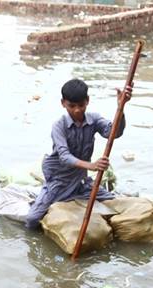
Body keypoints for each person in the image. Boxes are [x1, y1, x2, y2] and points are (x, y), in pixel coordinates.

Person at [26, 79, 133, 230]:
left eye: (81, 105)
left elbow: (113, 133)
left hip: (81, 181)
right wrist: (91, 165)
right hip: (59, 180)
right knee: (32, 219)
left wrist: (121, 108)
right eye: (72, 106)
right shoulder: (59, 125)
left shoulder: (94, 119)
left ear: (87, 101)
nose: (77, 110)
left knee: (114, 202)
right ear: (63, 103)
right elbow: (64, 156)